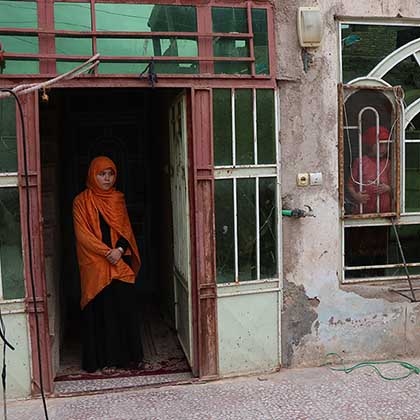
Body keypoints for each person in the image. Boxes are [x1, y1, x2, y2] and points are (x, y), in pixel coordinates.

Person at [73, 156, 143, 373]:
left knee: (125, 308)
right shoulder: (81, 201)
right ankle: (106, 361)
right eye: (102, 174)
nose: (107, 178)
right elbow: (82, 235)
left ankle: (131, 358)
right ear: (92, 175)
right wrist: (107, 253)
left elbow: (126, 230)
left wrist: (120, 250)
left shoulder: (117, 199)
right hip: (95, 264)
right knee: (103, 313)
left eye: (110, 174)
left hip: (117, 261)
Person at [347, 125, 392, 214]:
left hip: (384, 213)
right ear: (370, 145)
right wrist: (356, 196)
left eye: (386, 145)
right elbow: (349, 185)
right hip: (363, 212)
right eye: (380, 144)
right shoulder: (360, 162)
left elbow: (397, 187)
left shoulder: (388, 163)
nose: (384, 149)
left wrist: (388, 188)